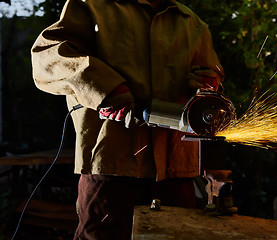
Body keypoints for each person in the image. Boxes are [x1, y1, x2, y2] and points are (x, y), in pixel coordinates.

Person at [31, 0, 224, 239]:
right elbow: (48, 57)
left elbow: (211, 69)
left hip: (177, 170)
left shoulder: (192, 23)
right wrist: (104, 88)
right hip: (112, 164)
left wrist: (208, 81)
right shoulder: (92, 6)